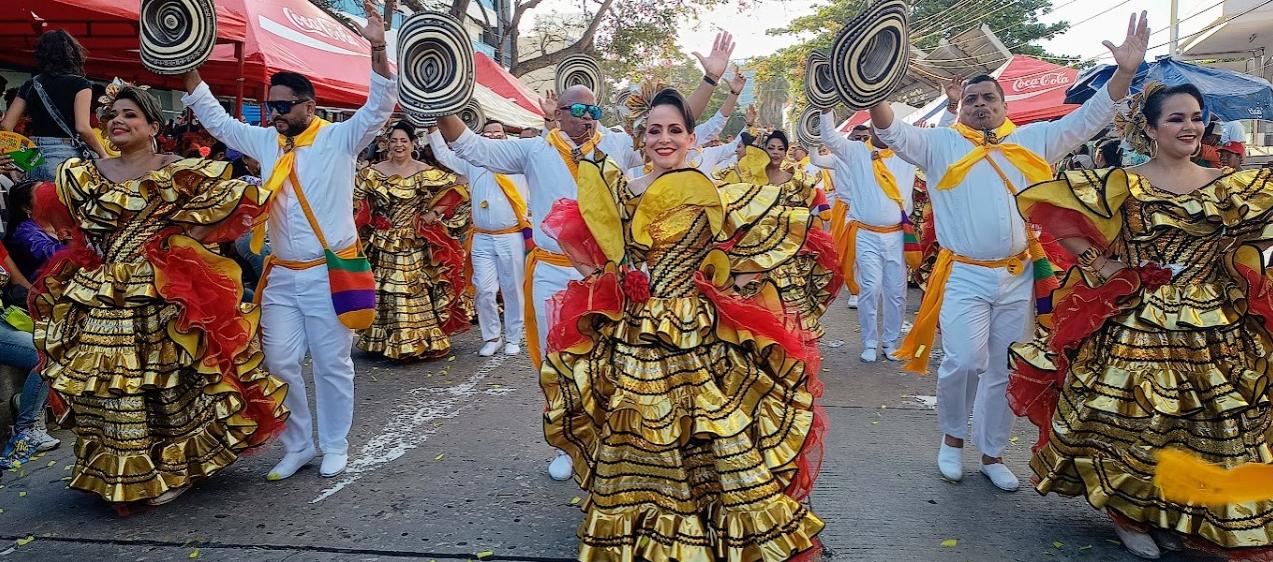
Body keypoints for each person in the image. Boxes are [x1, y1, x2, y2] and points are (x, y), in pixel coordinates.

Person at [435, 32, 737, 481]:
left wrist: (710, 80)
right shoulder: (532, 149)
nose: (588, 115)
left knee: (608, 362)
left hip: (609, 278)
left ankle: (607, 442)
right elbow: (471, 147)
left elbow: (680, 129)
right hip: (552, 274)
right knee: (556, 363)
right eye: (578, 108)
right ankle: (567, 444)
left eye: (594, 108)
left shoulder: (615, 145)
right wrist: (438, 96)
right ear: (557, 113)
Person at [540, 87, 825, 562]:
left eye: (675, 130)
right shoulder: (625, 185)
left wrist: (735, 283)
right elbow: (583, 233)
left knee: (709, 429)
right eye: (655, 131)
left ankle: (708, 532)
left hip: (695, 329)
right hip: (633, 331)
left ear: (693, 139)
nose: (664, 138)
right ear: (641, 137)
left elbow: (761, 243)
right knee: (638, 430)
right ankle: (640, 533)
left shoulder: (711, 187)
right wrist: (607, 278)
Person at [869, 12, 1148, 492]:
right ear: (960, 109)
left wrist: (1124, 73)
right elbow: (894, 132)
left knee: (1003, 364)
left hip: (1018, 275)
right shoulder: (938, 145)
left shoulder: (1033, 141)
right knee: (963, 362)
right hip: (964, 276)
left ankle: (993, 453)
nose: (980, 104)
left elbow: (1088, 119)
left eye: (988, 98)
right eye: (972, 99)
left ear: (1003, 104)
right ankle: (952, 440)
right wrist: (871, 91)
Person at [1008, 81, 1273, 559]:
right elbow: (1052, 212)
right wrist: (1102, 264)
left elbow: (1252, 239)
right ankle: (1127, 513)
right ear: (1149, 128)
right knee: (1136, 422)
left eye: (1195, 116)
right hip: (1138, 320)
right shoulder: (1122, 183)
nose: (1190, 126)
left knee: (1202, 424)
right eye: (1175, 118)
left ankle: (1172, 512)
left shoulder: (1228, 183)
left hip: (1213, 323)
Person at [31, 84, 288, 505]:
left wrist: (181, 242)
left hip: (161, 290)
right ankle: (123, 468)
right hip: (102, 290)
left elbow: (237, 200)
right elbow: (69, 223)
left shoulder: (179, 170)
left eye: (130, 114)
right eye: (112, 114)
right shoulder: (86, 173)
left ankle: (175, 467)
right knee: (110, 382)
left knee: (167, 381)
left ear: (153, 125)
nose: (118, 121)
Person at [178, 0, 396, 480]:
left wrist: (377, 48)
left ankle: (335, 443)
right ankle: (297, 444)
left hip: (329, 272)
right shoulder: (265, 142)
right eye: (269, 105)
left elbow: (380, 105)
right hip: (280, 275)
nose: (273, 113)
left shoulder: (340, 137)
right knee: (277, 362)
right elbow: (217, 122)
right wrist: (186, 69)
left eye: (282, 106)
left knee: (332, 362)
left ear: (309, 107)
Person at [355, 120, 469, 360]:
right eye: (394, 141)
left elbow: (459, 185)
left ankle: (414, 342)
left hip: (413, 240)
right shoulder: (371, 173)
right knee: (384, 289)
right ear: (386, 144)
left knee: (409, 288)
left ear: (413, 144)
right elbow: (355, 202)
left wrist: (434, 214)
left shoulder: (425, 172)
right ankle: (384, 342)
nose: (399, 145)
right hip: (382, 241)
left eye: (403, 141)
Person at [815, 109, 918, 363]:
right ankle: (870, 341)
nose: (884, 131)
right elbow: (829, 138)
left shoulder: (907, 153)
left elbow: (941, 139)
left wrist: (951, 107)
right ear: (872, 130)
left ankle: (891, 341)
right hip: (867, 234)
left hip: (897, 236)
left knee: (896, 292)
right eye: (878, 128)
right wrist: (826, 107)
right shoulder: (856, 152)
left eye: (888, 128)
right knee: (870, 288)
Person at [729, 129, 840, 341]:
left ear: (786, 152)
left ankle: (791, 349)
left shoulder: (796, 181)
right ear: (763, 149)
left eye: (781, 148)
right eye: (771, 147)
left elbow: (811, 209)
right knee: (756, 303)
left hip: (788, 255)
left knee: (789, 303)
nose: (775, 152)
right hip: (755, 252)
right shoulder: (750, 178)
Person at [429, 120, 527, 357]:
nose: (493, 136)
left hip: (510, 236)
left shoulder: (518, 160)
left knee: (512, 287)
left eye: (498, 132)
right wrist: (432, 128)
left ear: (505, 136)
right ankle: (492, 337)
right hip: (482, 236)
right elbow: (443, 154)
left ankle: (513, 336)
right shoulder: (473, 160)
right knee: (483, 288)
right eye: (488, 132)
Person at [1, 30, 108, 180]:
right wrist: (103, 154)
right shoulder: (80, 84)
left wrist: (19, 157)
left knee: (35, 202)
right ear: (72, 53)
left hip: (33, 157)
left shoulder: (30, 84)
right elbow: (82, 128)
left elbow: (6, 125)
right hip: (66, 156)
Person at [5, 180, 65, 281]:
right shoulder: (24, 233)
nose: (51, 196)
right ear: (27, 208)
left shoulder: (61, 220)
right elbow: (55, 256)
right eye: (42, 194)